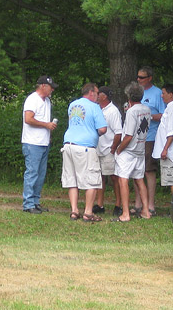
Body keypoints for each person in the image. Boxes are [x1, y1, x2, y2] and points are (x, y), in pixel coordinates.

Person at [61, 82, 108, 222]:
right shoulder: (94, 107)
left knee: (72, 179)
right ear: (91, 93)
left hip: (68, 144)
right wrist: (94, 133)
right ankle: (88, 212)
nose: (98, 96)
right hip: (85, 147)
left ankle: (74, 211)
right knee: (91, 180)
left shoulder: (73, 105)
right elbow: (103, 129)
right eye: (97, 93)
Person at [114, 81, 152, 222]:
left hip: (129, 151)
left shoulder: (131, 112)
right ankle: (146, 211)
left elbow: (129, 135)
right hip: (140, 149)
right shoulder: (147, 109)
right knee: (139, 180)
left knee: (123, 179)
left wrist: (119, 149)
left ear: (129, 96)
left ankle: (125, 213)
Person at [21, 75, 59, 214]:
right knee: (32, 173)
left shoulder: (47, 101)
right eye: (51, 87)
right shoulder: (32, 99)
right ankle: (28, 204)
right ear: (43, 86)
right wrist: (46, 125)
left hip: (43, 142)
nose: (52, 90)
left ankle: (35, 202)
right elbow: (28, 119)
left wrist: (48, 134)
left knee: (40, 174)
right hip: (32, 143)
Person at [136, 66, 165, 216]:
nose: (139, 79)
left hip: (150, 137)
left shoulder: (157, 93)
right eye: (138, 77)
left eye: (142, 77)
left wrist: (148, 116)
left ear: (149, 78)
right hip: (136, 138)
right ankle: (138, 204)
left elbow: (163, 115)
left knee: (148, 170)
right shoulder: (136, 91)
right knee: (137, 170)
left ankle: (151, 205)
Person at [93, 86, 123, 217]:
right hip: (98, 148)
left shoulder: (113, 111)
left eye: (98, 93)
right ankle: (100, 204)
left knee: (114, 177)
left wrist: (113, 149)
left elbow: (118, 132)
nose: (96, 95)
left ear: (104, 96)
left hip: (108, 149)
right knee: (100, 177)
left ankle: (118, 205)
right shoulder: (97, 109)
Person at [152, 83, 173, 191]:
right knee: (171, 179)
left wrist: (165, 149)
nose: (161, 96)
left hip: (170, 153)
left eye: (163, 93)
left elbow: (172, 132)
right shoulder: (171, 108)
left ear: (170, 94)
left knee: (172, 180)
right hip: (169, 152)